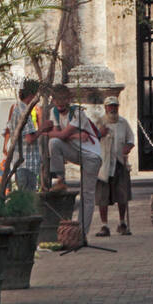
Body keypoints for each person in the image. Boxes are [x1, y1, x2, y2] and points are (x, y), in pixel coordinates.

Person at [41, 83, 103, 238]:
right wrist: (74, 135)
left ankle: (82, 233)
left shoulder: (77, 113)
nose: (60, 105)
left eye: (63, 101)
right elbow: (58, 136)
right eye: (57, 101)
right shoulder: (53, 113)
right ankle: (60, 178)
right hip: (75, 149)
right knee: (53, 143)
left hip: (91, 155)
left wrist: (45, 133)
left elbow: (60, 134)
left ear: (68, 100)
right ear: (53, 100)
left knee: (86, 194)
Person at [94, 96, 135, 236]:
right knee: (102, 196)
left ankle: (122, 222)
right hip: (103, 164)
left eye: (115, 106)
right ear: (105, 108)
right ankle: (104, 225)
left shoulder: (123, 122)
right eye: (110, 106)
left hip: (119, 162)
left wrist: (127, 148)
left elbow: (130, 139)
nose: (112, 109)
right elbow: (91, 139)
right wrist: (100, 133)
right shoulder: (99, 122)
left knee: (122, 194)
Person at [3, 80, 41, 193]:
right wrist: (42, 129)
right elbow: (29, 138)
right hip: (26, 163)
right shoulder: (23, 111)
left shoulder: (21, 108)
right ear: (32, 95)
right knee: (27, 197)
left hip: (23, 162)